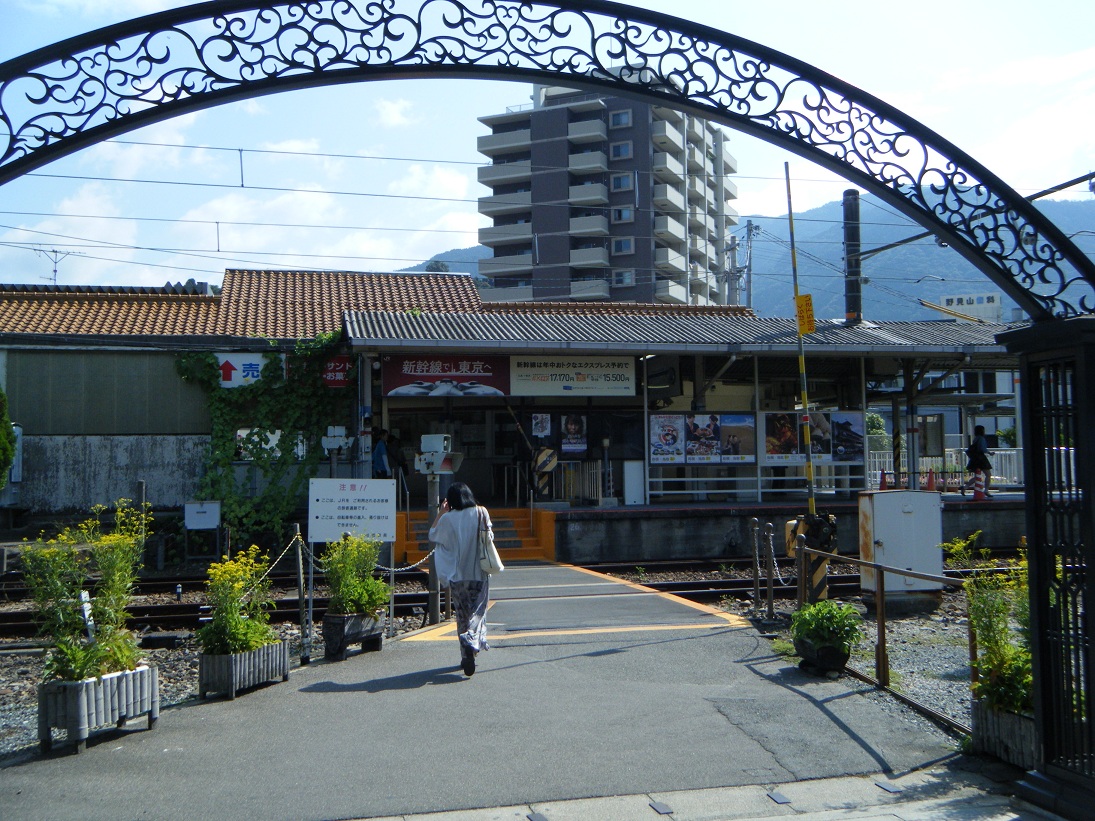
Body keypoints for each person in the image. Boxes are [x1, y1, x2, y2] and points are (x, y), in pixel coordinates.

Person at [427, 481, 493, 676]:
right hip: (479, 573)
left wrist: (441, 512)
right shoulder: (481, 512)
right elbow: (489, 537)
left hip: (457, 577)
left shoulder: (448, 519)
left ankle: (466, 655)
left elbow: (433, 535)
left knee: (462, 615)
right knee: (478, 612)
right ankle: (473, 638)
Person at [965, 424, 993, 497]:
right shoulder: (982, 439)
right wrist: (990, 453)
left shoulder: (975, 439)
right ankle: (986, 490)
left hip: (975, 459)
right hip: (981, 459)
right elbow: (983, 449)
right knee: (988, 474)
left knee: (977, 476)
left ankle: (965, 487)